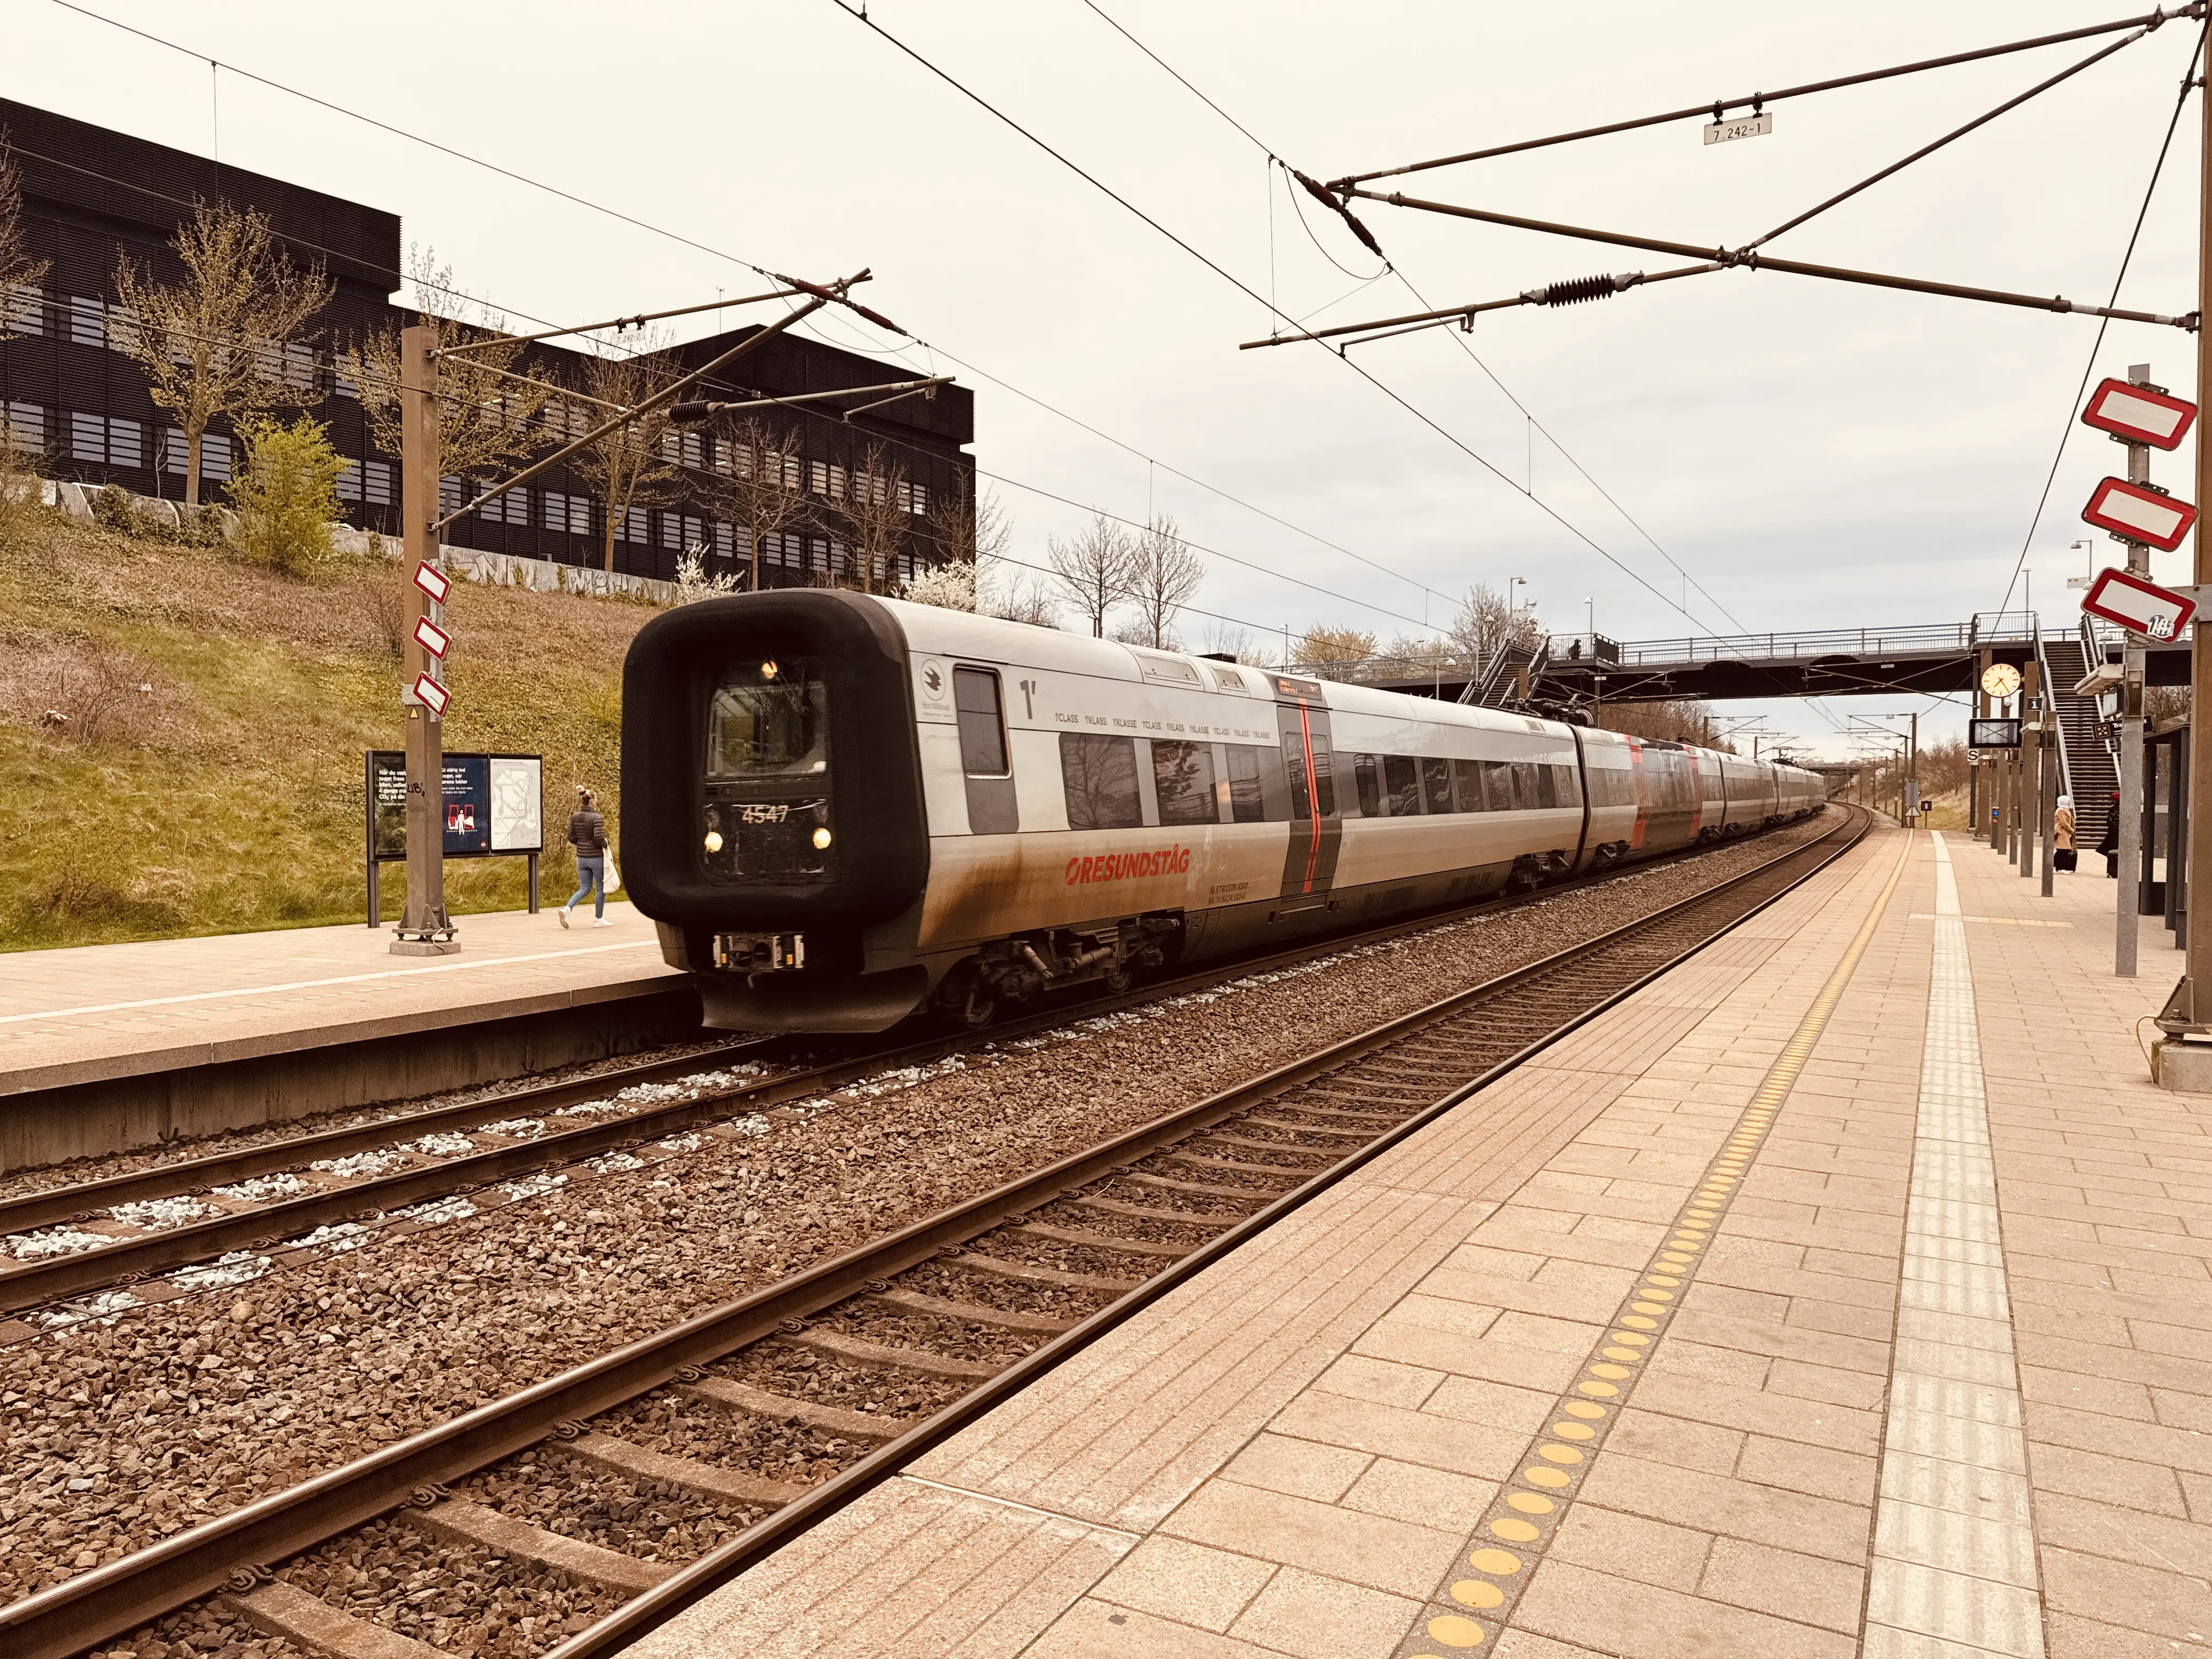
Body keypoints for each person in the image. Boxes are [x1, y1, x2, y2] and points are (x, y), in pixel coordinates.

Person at [561, 786, 612, 928]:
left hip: (581, 858)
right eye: (596, 799)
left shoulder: (575, 817)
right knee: (600, 888)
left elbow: (571, 837)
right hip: (595, 857)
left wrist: (582, 843)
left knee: (584, 888)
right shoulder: (597, 817)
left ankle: (567, 909)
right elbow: (598, 838)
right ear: (593, 802)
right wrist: (606, 843)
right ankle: (599, 919)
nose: (597, 801)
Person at [2096, 789, 2121, 878]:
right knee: (2113, 853)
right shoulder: (2115, 809)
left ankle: (2112, 871)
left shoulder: (2114, 809)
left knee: (2112, 853)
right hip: (2115, 834)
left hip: (2114, 834)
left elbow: (2110, 821)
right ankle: (2113, 871)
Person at [2053, 793, 2076, 873]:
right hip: (2061, 833)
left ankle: (2060, 867)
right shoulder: (2060, 810)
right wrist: (2071, 830)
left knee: (2063, 851)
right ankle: (2058, 867)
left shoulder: (2066, 809)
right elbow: (2064, 822)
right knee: (2062, 851)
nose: (2070, 803)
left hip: (2065, 833)